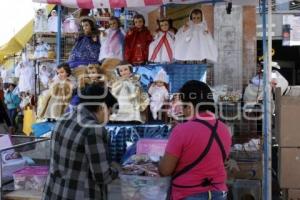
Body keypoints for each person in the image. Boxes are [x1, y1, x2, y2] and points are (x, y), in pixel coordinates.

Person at [42, 84, 120, 200]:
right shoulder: (93, 129)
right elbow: (102, 176)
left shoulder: (64, 118)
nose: (108, 119)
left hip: (54, 192)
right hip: (79, 194)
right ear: (102, 107)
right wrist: (116, 170)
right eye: (109, 113)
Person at [159, 80, 232, 200]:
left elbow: (165, 170)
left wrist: (160, 162)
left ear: (189, 105)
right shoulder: (225, 129)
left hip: (187, 193)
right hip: (218, 193)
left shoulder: (181, 130)